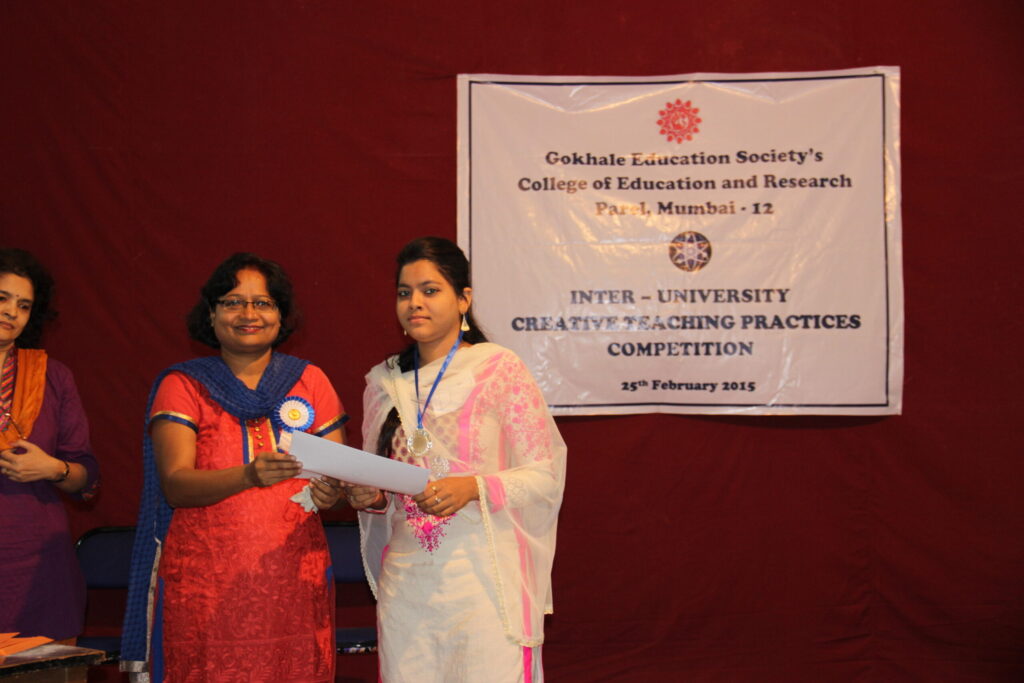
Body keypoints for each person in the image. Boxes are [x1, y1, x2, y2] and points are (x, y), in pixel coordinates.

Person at [349, 237, 567, 682]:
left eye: (430, 290)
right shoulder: (385, 383)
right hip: (406, 583)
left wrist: (473, 487)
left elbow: (545, 475)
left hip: (483, 581)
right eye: (405, 292)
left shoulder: (497, 368)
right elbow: (383, 486)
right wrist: (370, 497)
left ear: (464, 299)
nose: (415, 303)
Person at [121, 253, 347, 682]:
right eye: (232, 302)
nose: (248, 314)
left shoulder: (311, 381)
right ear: (211, 314)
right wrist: (248, 476)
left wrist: (331, 493)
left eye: (263, 303)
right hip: (206, 591)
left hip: (294, 585)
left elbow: (338, 481)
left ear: (281, 315)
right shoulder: (183, 385)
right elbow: (175, 487)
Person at [0, 248, 100, 642]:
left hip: (39, 568)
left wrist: (52, 468)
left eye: (23, 305)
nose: (11, 312)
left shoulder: (53, 377)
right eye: (2, 298)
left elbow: (86, 476)